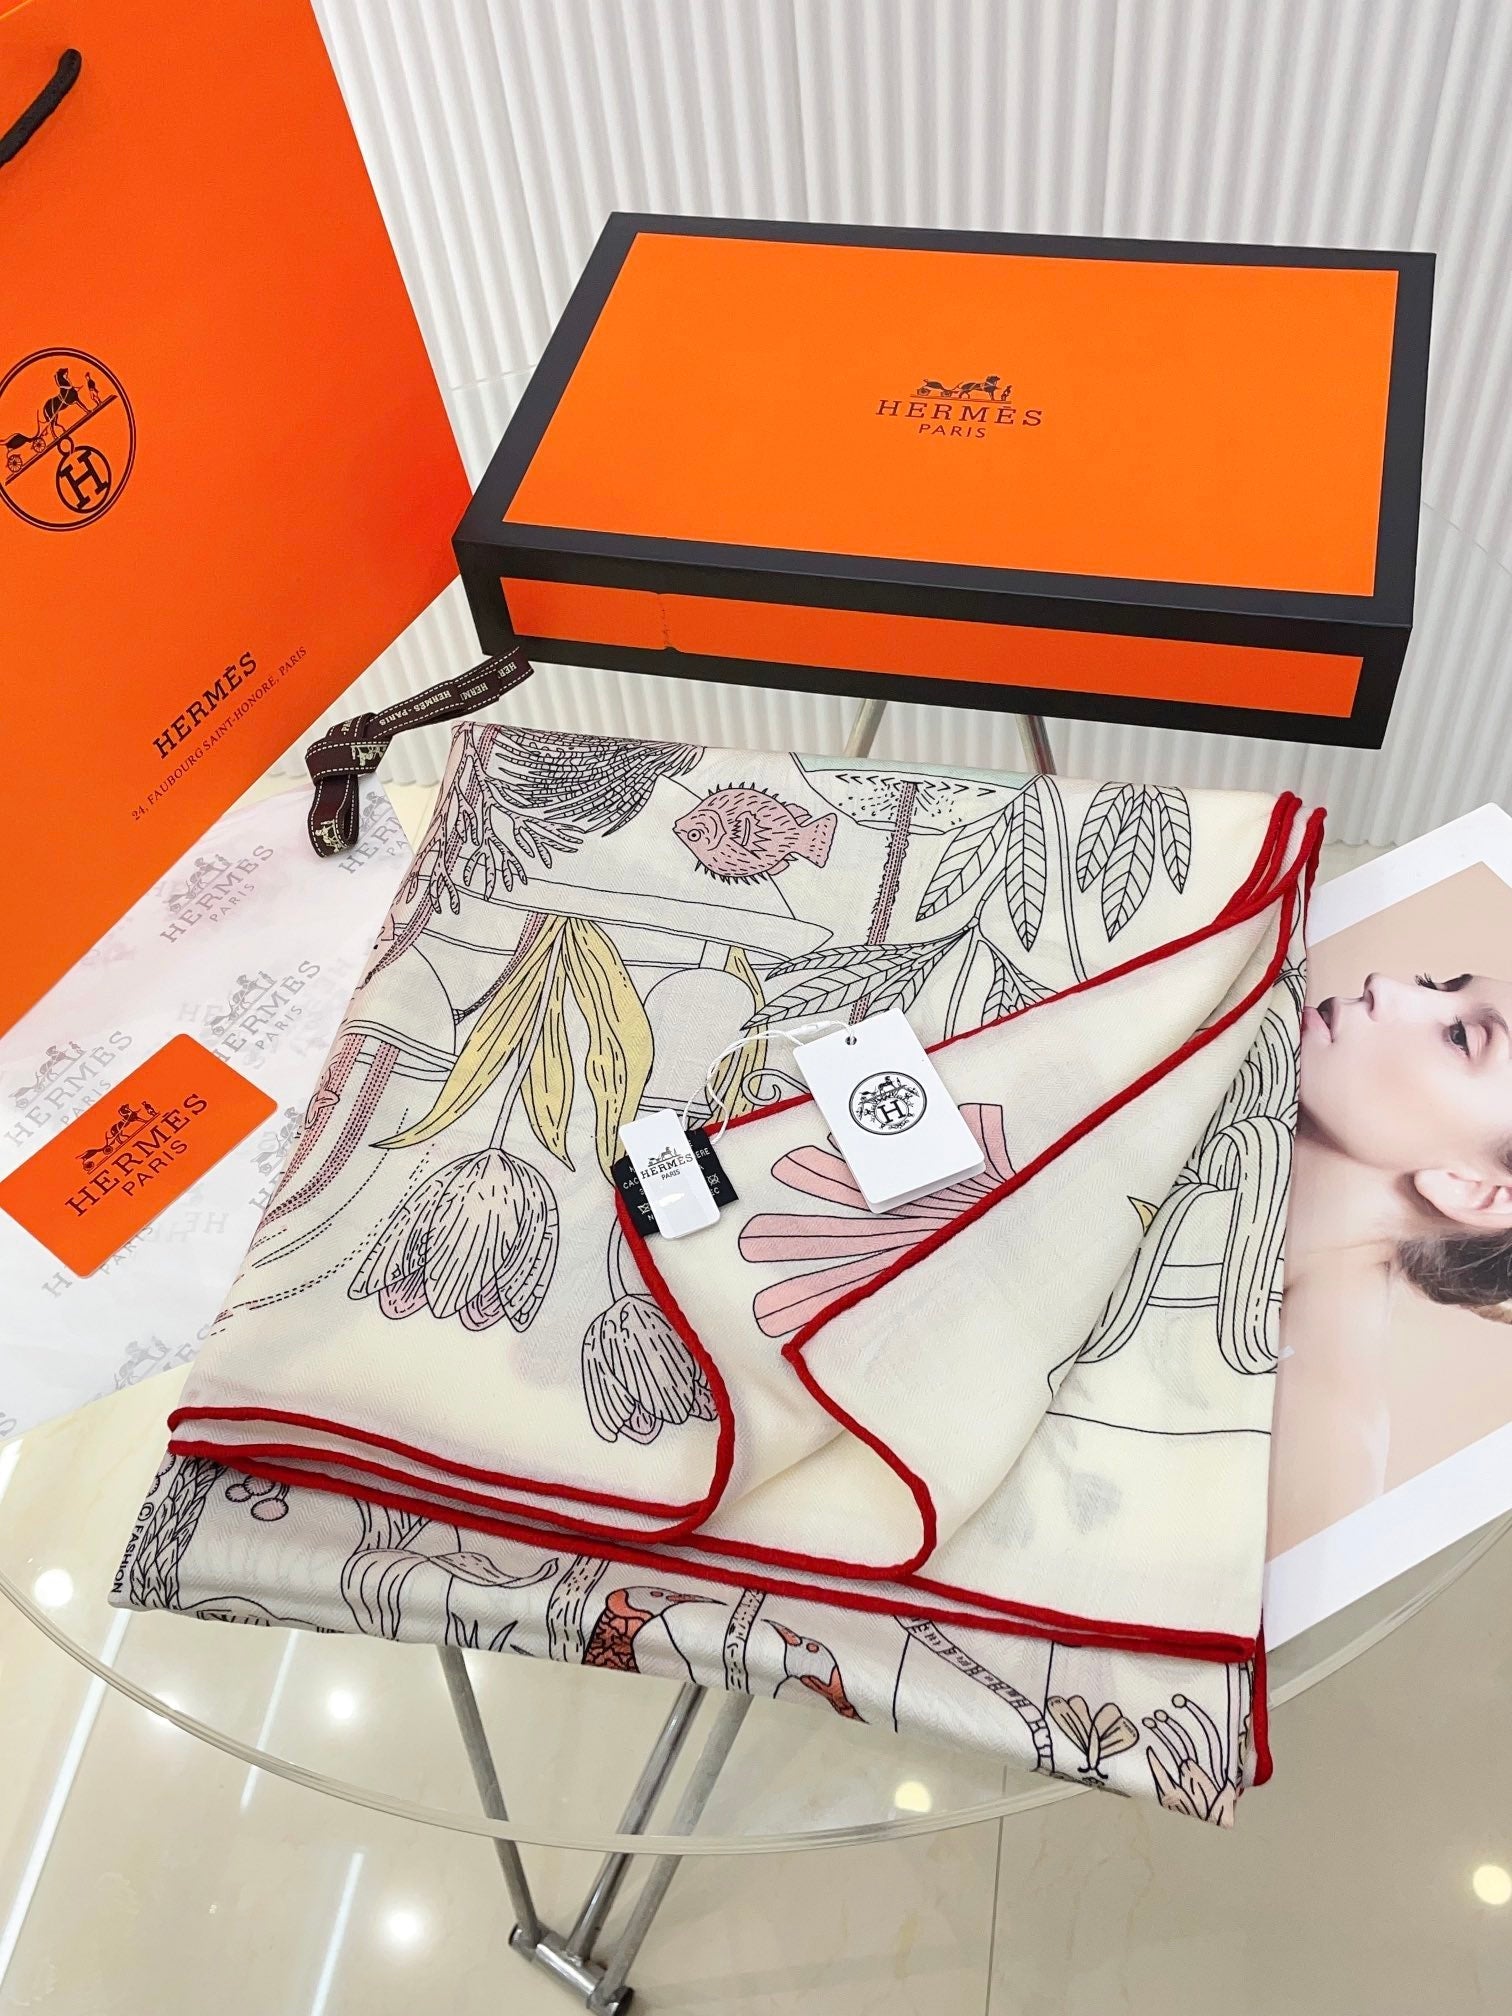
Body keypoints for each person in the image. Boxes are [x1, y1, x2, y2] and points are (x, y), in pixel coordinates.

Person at [1278, 970, 1512, 1529]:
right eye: (1435, 984)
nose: (1381, 984)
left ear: (1474, 1189)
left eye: (1461, 1037)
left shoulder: (1323, 1435)